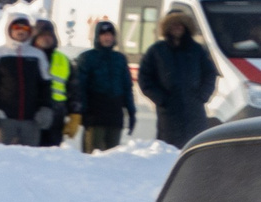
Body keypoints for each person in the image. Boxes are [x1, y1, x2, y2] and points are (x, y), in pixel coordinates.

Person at [139, 9, 218, 147]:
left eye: (180, 24)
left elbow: (210, 74)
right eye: (173, 24)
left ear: (186, 27)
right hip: (169, 113)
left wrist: (203, 95)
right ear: (167, 28)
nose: (177, 28)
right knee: (169, 149)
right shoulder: (157, 51)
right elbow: (145, 78)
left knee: (195, 147)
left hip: (194, 111)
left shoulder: (196, 50)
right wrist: (160, 99)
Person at [0, 16, 54, 146]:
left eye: (24, 28)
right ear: (9, 30)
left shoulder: (37, 55)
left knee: (29, 158)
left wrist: (46, 108)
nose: (20, 31)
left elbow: (45, 85)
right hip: (4, 117)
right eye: (16, 28)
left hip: (31, 119)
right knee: (4, 156)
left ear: (29, 31)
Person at [68, 20, 137, 153]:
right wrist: (83, 113)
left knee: (112, 157)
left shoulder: (119, 59)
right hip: (95, 117)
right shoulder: (87, 58)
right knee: (93, 156)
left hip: (115, 116)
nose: (107, 37)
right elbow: (81, 89)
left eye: (110, 34)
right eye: (104, 34)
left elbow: (127, 87)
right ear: (97, 37)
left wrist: (131, 111)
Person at [31, 18, 71, 147]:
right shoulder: (28, 57)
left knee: (52, 155)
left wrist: (75, 113)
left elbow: (74, 88)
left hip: (56, 115)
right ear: (35, 37)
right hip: (32, 113)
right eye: (42, 35)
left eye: (49, 35)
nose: (46, 39)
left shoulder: (63, 59)